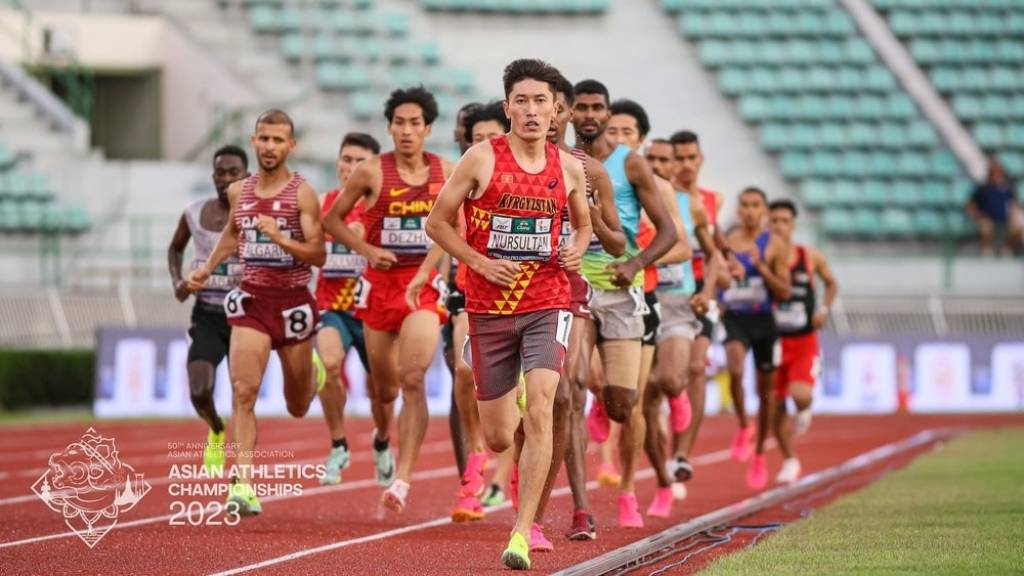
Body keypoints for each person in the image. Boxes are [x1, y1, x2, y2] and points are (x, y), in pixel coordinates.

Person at [425, 58, 591, 571]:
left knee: (542, 408)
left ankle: (521, 531)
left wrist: (576, 248)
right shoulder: (480, 158)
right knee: (499, 435)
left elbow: (583, 225)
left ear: (555, 110)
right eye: (522, 101)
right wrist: (478, 262)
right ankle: (510, 397)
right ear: (508, 108)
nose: (532, 110)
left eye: (542, 101)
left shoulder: (568, 166)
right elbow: (437, 223)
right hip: (489, 307)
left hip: (547, 300)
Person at [187, 109, 328, 516]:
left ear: (291, 146)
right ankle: (244, 485)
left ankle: (311, 372)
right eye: (263, 139)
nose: (269, 147)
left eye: (278, 140)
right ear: (254, 141)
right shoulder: (239, 192)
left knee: (297, 406)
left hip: (293, 303)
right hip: (251, 301)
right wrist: (207, 268)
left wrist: (281, 239)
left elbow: (318, 254)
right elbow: (233, 234)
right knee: (243, 391)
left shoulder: (303, 193)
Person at [324, 86, 453, 513]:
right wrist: (367, 251)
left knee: (413, 377)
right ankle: (382, 437)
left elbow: (454, 226)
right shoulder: (371, 172)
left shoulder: (446, 172)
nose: (407, 130)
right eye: (399, 123)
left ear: (428, 128)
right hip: (379, 289)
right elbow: (332, 221)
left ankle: (403, 479)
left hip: (422, 287)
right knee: (384, 390)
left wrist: (426, 270)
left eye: (415, 123)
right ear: (389, 127)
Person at [572, 80, 677, 529]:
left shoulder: (630, 164)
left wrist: (636, 262)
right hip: (573, 289)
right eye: (581, 107)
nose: (589, 114)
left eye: (597, 107)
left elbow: (669, 232)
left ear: (607, 112)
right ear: (569, 112)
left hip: (620, 291)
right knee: (573, 385)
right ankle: (581, 507)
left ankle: (629, 489)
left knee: (624, 406)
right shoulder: (557, 160)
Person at [525, 76, 624, 548]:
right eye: (539, 106)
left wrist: (591, 215)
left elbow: (619, 243)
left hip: (570, 290)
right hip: (510, 293)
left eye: (557, 108)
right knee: (516, 416)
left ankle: (574, 508)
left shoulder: (589, 170)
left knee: (567, 395)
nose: (548, 116)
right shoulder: (503, 163)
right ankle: (523, 484)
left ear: (563, 114)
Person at [168, 145, 249, 476]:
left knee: (243, 395)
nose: (226, 178)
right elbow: (175, 248)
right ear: (213, 176)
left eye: (234, 172)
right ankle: (216, 428)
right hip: (208, 315)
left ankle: (242, 472)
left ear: (246, 176)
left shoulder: (256, 214)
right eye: (220, 172)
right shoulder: (194, 213)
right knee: (200, 392)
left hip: (246, 316)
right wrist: (178, 281)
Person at [450, 100, 512, 522]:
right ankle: (475, 456)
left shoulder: (526, 176)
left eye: (492, 136)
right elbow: (440, 230)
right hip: (468, 290)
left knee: (515, 402)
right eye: (477, 138)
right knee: (463, 369)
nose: (486, 144)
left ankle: (506, 476)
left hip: (523, 295)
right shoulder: (463, 179)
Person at [664, 130, 728, 493]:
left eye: (692, 157)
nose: (686, 165)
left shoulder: (712, 200)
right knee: (665, 381)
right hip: (665, 293)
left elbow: (718, 248)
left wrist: (720, 278)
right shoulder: (659, 196)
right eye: (680, 158)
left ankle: (682, 455)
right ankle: (663, 450)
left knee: (695, 368)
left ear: (700, 159)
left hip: (700, 296)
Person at [315, 132, 381, 485]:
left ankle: (382, 440)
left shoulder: (383, 207)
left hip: (372, 311)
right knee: (327, 366)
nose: (351, 167)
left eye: (360, 161)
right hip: (333, 308)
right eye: (346, 159)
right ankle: (338, 443)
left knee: (382, 392)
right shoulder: (322, 204)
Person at [720, 187, 791, 490]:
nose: (750, 210)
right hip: (735, 317)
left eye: (755, 205)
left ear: (763, 210)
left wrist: (761, 266)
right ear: (738, 209)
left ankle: (760, 453)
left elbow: (785, 291)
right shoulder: (726, 240)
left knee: (766, 394)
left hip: (764, 321)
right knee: (735, 367)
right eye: (745, 205)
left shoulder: (774, 244)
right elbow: (714, 275)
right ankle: (742, 424)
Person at [768, 199, 838, 483]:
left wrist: (823, 309)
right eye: (774, 221)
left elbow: (831, 283)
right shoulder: (760, 257)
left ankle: (804, 408)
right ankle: (789, 459)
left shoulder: (810, 257)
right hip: (772, 342)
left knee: (800, 395)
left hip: (803, 341)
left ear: (793, 225)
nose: (779, 226)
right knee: (775, 406)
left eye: (784, 221)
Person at [966, 154, 1022, 256]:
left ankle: (1006, 248)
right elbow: (971, 204)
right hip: (987, 219)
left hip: (1005, 220)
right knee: (985, 226)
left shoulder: (1007, 189)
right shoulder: (983, 188)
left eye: (999, 174)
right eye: (994, 174)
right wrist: (978, 215)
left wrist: (1014, 215)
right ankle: (987, 250)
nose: (997, 177)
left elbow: (1014, 204)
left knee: (1018, 228)